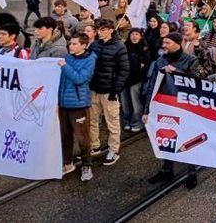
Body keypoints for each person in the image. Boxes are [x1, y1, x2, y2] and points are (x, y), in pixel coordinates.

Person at [145, 33, 199, 188]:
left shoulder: (191, 60)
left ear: (177, 43)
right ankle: (166, 169)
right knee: (166, 137)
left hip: (186, 107)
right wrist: (146, 109)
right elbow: (152, 85)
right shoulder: (160, 61)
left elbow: (196, 83)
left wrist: (176, 72)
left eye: (167, 42)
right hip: (166, 105)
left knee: (188, 140)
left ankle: (192, 172)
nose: (164, 45)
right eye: (163, 42)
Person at [57, 33, 97, 182]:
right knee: (65, 136)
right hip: (63, 104)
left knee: (82, 137)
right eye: (70, 44)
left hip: (78, 104)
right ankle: (67, 162)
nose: (70, 46)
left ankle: (87, 165)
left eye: (74, 44)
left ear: (83, 45)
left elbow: (80, 79)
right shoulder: (68, 58)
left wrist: (65, 66)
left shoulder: (90, 60)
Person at [89, 19, 129, 166]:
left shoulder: (119, 47)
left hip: (109, 91)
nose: (100, 32)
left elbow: (124, 71)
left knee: (112, 122)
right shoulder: (94, 45)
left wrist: (115, 90)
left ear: (111, 30)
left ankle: (114, 149)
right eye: (99, 29)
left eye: (103, 29)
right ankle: (94, 146)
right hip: (94, 89)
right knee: (92, 121)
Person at [121, 28, 153, 133]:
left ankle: (137, 122)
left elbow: (146, 63)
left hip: (137, 79)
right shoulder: (124, 47)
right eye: (132, 34)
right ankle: (127, 121)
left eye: (136, 34)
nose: (134, 36)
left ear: (140, 36)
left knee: (136, 102)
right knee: (125, 102)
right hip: (124, 78)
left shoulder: (144, 48)